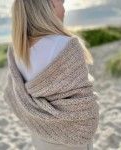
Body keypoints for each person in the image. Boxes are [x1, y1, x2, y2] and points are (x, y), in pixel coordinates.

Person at [7, 0, 98, 149]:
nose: (64, 9)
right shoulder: (66, 45)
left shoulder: (16, 51)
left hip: (40, 132)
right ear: (47, 7)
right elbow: (84, 103)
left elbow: (16, 93)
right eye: (61, 3)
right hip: (72, 138)